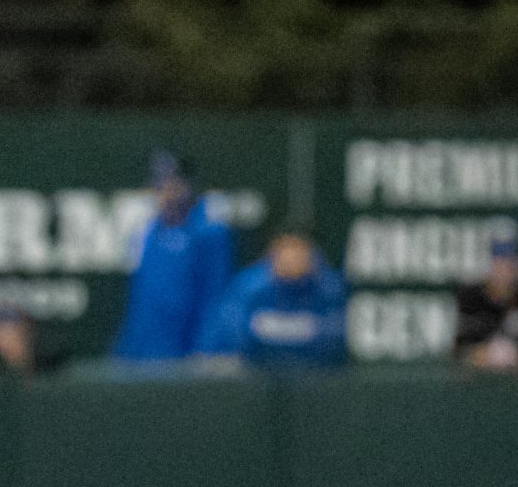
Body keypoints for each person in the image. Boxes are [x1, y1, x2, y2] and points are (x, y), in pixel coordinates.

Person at [109, 150, 233, 364]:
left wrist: (205, 349)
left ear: (189, 185)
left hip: (187, 355)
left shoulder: (209, 233)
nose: (166, 191)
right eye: (160, 184)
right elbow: (142, 300)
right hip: (142, 354)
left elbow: (215, 297)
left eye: (173, 183)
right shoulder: (147, 232)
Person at [203, 231, 349, 368]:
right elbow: (231, 336)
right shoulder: (250, 289)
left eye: (299, 251)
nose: (292, 258)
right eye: (286, 250)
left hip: (316, 380)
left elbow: (335, 339)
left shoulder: (330, 290)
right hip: (256, 379)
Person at [455, 233, 518, 372]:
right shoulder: (471, 297)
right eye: (499, 264)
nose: (504, 271)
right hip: (477, 380)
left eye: (510, 265)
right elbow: (460, 348)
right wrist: (483, 355)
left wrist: (517, 356)